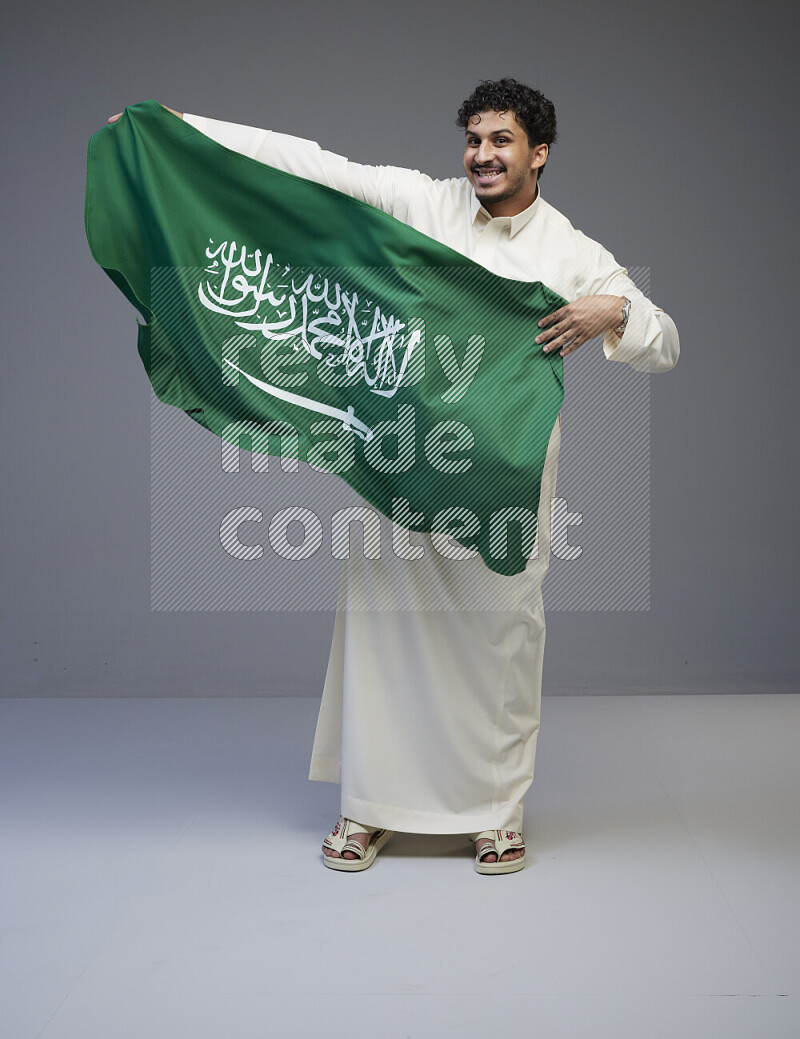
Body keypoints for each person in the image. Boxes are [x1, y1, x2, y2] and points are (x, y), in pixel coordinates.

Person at [109, 78, 679, 873]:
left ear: (538, 154)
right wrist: (179, 128)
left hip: (501, 482)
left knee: (502, 635)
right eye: (474, 139)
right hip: (400, 456)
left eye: (501, 141)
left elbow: (665, 339)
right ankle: (369, 809)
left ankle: (494, 812)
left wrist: (611, 312)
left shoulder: (571, 252)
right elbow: (309, 166)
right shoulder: (422, 203)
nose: (482, 154)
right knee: (384, 630)